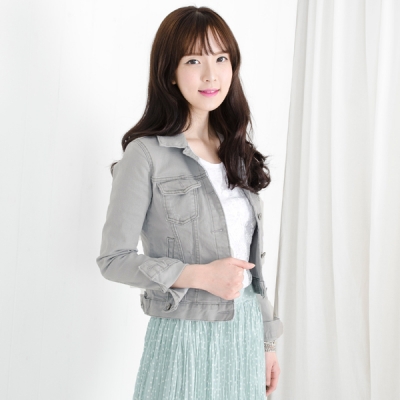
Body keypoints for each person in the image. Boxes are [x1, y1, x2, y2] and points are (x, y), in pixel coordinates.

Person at [96, 6, 283, 399]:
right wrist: (198, 276)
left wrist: (267, 341)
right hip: (184, 336)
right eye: (194, 60)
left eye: (221, 58)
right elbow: (113, 260)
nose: (211, 74)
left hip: (245, 334)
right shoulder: (145, 155)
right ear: (170, 72)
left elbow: (253, 269)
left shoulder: (238, 153)